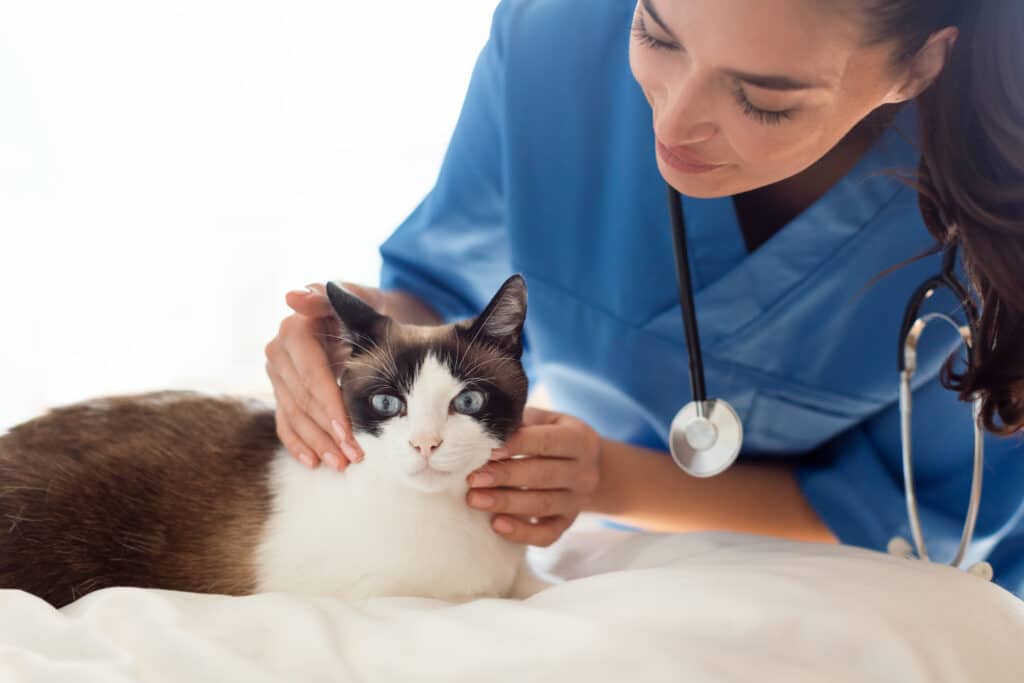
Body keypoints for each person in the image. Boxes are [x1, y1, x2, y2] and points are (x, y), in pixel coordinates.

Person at [263, 0, 1024, 595]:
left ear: (921, 65)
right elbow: (434, 291)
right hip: (606, 550)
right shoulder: (548, 46)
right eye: (656, 35)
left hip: (858, 578)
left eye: (762, 98)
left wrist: (608, 478)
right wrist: (357, 340)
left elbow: (903, 511)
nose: (674, 117)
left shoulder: (1001, 209)